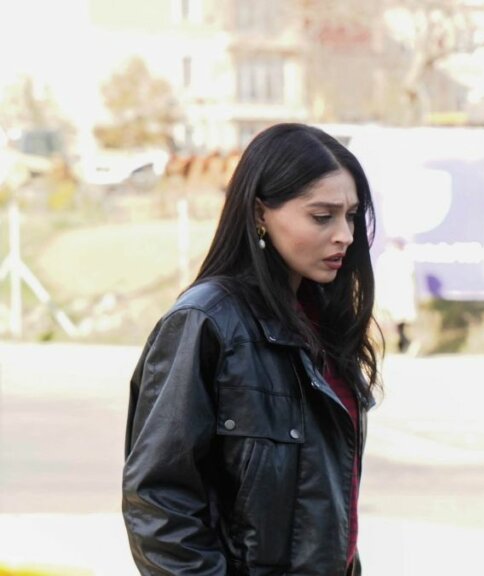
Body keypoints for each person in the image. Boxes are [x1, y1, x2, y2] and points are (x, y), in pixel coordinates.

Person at [123, 123, 380, 575]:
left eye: (352, 215)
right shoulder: (207, 321)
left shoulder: (323, 325)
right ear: (261, 213)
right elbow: (159, 505)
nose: (345, 235)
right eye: (322, 216)